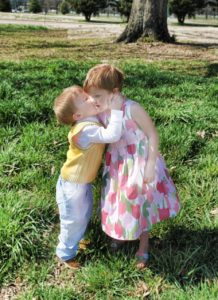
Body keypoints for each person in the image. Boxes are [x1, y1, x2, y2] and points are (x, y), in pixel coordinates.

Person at [83, 64, 180, 269]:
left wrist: (151, 164)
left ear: (115, 92)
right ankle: (121, 232)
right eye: (90, 96)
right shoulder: (103, 111)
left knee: (140, 203)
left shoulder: (132, 108)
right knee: (117, 199)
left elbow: (153, 134)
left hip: (139, 161)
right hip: (117, 163)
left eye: (98, 96)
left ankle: (143, 246)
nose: (93, 101)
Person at [53, 85, 123, 268]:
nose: (91, 99)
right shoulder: (85, 130)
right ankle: (65, 253)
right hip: (73, 184)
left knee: (83, 213)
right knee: (73, 218)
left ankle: (77, 239)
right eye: (85, 100)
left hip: (81, 182)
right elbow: (112, 135)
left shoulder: (89, 119)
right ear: (77, 116)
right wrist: (116, 111)